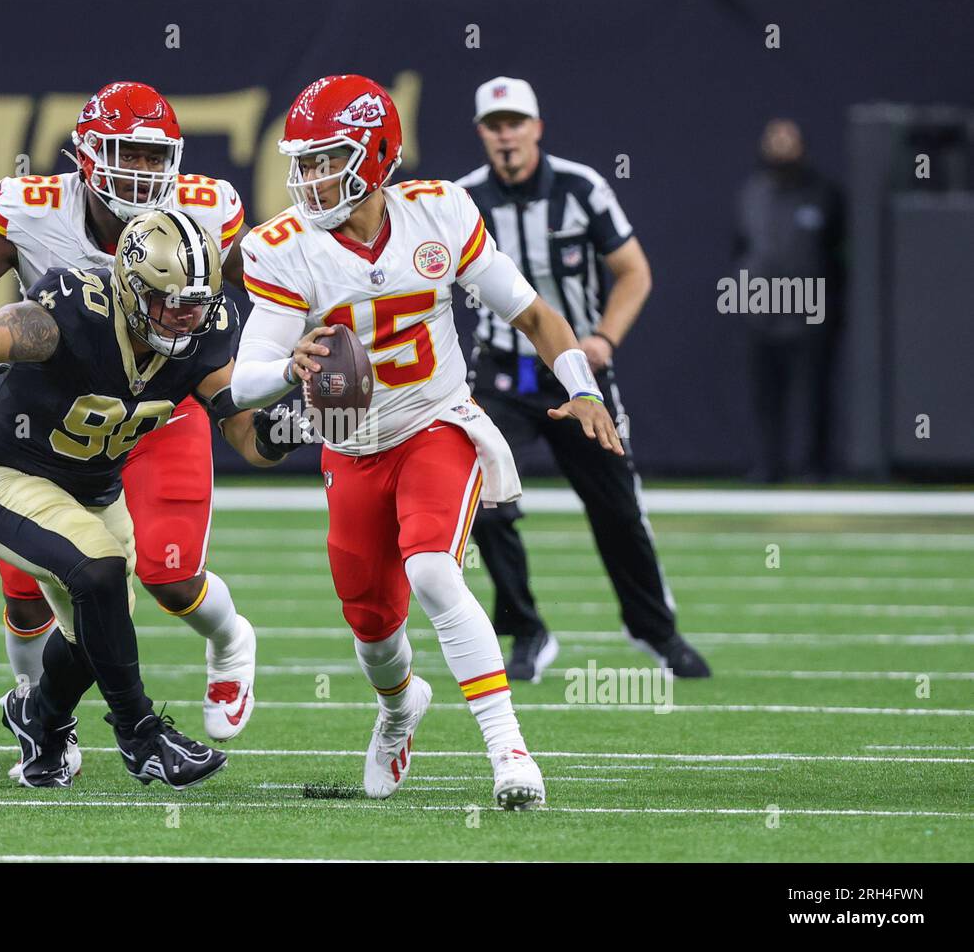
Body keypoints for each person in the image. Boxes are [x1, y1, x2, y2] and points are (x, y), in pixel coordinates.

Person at [231, 74, 625, 810]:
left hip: (434, 424)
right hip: (350, 447)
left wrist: (583, 388)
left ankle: (510, 753)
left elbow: (533, 313)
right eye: (304, 160)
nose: (311, 176)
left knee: (436, 572)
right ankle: (399, 707)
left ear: (378, 154)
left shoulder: (438, 213)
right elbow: (245, 381)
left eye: (328, 159)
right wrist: (290, 366)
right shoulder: (285, 248)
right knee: (373, 629)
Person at [0, 82, 260, 745]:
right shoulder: (35, 209)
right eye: (126, 154)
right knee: (29, 592)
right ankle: (42, 720)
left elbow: (271, 278)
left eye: (151, 157)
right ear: (86, 154)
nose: (140, 172)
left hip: (157, 413)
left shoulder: (205, 212)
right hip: (49, 425)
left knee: (169, 579)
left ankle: (230, 640)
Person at [0, 210, 311, 789]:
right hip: (0, 470)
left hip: (91, 489)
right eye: (171, 302)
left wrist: (281, 432)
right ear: (132, 289)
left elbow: (241, 429)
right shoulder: (78, 309)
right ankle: (141, 737)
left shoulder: (201, 333)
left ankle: (40, 722)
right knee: (101, 573)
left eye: (198, 302)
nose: (187, 316)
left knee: (95, 635)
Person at [455, 76, 710, 682]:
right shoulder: (460, 200)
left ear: (536, 128)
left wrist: (603, 340)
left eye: (515, 122)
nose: (506, 135)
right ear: (481, 134)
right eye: (494, 125)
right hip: (500, 372)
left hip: (577, 375)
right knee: (485, 504)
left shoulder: (580, 188)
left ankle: (654, 629)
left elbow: (634, 271)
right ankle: (524, 628)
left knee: (617, 507)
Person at [734, 118, 844, 482]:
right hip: (762, 308)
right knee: (765, 393)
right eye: (774, 139)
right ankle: (768, 465)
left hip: (810, 309)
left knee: (813, 393)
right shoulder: (753, 192)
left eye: (788, 139)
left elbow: (838, 252)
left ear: (801, 145)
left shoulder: (823, 193)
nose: (781, 146)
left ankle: (814, 465)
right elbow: (740, 247)